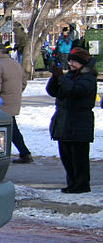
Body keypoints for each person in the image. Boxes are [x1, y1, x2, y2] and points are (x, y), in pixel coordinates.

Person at [46, 47, 97, 193]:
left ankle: (81, 184)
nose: (71, 64)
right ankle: (72, 183)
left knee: (78, 157)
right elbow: (53, 92)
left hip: (79, 121)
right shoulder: (70, 76)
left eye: (74, 61)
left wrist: (61, 78)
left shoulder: (88, 78)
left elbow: (75, 91)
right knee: (67, 156)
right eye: (70, 61)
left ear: (82, 63)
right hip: (64, 121)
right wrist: (55, 78)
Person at [0, 43, 32, 163]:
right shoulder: (16, 64)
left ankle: (1, 155)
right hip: (13, 101)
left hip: (1, 103)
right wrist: (16, 93)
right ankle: (24, 152)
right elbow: (24, 82)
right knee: (12, 129)